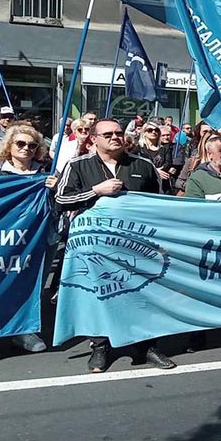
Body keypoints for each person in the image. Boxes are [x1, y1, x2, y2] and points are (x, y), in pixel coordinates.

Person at [55, 118, 174, 372]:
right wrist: (96, 191)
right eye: (107, 134)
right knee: (99, 295)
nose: (115, 137)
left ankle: (147, 346)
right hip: (93, 247)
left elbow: (161, 202)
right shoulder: (78, 165)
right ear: (93, 139)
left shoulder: (143, 165)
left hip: (137, 245)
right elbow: (61, 199)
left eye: (119, 133)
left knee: (143, 292)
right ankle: (100, 347)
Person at [0, 125, 58, 367]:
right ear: (9, 147)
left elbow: (59, 207)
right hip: (6, 244)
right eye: (20, 144)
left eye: (32, 145)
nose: (26, 149)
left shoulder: (48, 174)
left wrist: (54, 190)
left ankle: (22, 331)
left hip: (41, 240)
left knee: (32, 287)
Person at [133, 121, 173, 194]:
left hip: (163, 184)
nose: (153, 132)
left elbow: (168, 163)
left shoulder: (165, 148)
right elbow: (136, 164)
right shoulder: (138, 148)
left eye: (156, 130)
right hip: (145, 183)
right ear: (144, 133)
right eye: (150, 130)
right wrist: (155, 172)